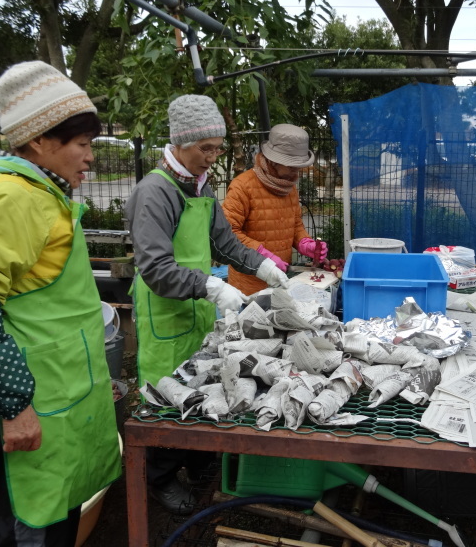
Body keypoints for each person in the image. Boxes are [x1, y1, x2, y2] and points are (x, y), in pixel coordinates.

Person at [0, 61, 121, 546]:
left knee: (57, 511)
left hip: (58, 392)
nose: (90, 158)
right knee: (32, 521)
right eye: (82, 145)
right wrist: (12, 404)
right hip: (29, 400)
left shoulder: (45, 195)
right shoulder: (10, 197)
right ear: (41, 140)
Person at [125, 94, 289, 514]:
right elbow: (156, 269)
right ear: (180, 143)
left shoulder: (200, 187)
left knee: (205, 384)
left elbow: (226, 244)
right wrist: (213, 288)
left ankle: (197, 464)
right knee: (167, 398)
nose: (212, 158)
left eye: (217, 148)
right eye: (205, 149)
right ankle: (158, 478)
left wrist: (264, 266)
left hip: (195, 308)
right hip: (165, 310)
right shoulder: (155, 193)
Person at [222, 123, 328, 295]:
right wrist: (262, 254)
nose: (296, 172)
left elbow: (295, 225)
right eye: (292, 166)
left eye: (299, 166)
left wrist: (305, 243)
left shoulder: (289, 187)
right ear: (273, 160)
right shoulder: (242, 186)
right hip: (248, 285)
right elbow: (229, 233)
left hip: (280, 282)